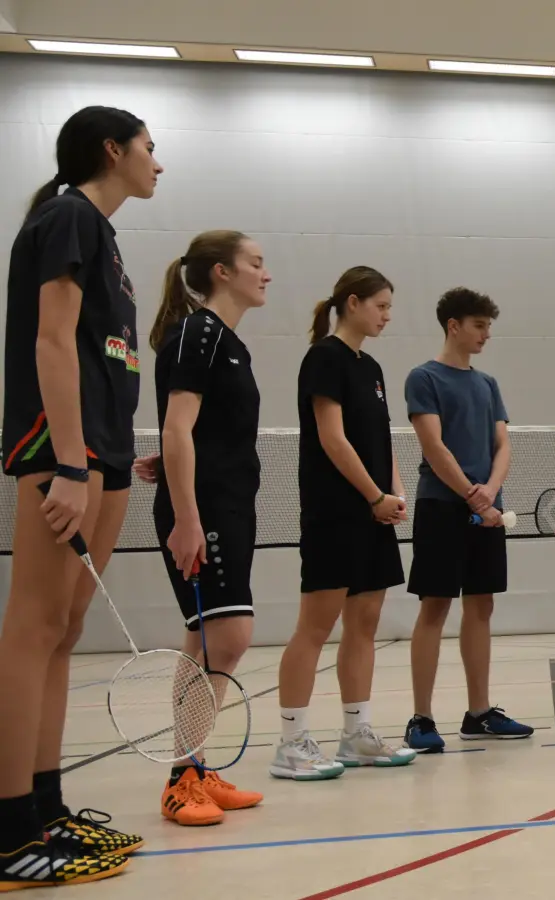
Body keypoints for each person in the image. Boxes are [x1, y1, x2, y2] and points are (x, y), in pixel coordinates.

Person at [0, 106, 160, 889]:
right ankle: (6, 829)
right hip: (64, 452)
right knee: (31, 629)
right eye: (149, 147)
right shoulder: (68, 216)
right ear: (112, 150)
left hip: (107, 451)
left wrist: (125, 453)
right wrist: (67, 461)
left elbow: (104, 358)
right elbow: (51, 340)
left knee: (65, 629)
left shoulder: (108, 239)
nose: (157, 162)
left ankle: (44, 804)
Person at [271, 267, 417, 781]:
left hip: (375, 512)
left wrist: (396, 493)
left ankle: (357, 734)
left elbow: (381, 438)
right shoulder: (324, 359)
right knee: (315, 625)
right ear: (352, 303)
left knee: (366, 622)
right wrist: (373, 495)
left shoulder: (370, 366)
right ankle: (291, 742)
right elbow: (332, 439)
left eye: (389, 307)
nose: (387, 316)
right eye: (380, 306)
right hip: (337, 511)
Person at [148, 231, 270, 824]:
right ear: (222, 272)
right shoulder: (200, 332)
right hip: (204, 511)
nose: (265, 273)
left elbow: (195, 432)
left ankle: (194, 767)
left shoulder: (228, 341)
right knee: (227, 635)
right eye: (256, 262)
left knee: (209, 638)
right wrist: (187, 517)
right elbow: (175, 428)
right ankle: (181, 777)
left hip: (226, 504)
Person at [402, 288, 532, 752]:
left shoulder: (488, 384)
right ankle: (421, 718)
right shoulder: (424, 378)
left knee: (482, 606)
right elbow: (433, 447)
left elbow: (503, 444)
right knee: (434, 607)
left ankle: (479, 713)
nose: (485, 335)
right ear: (453, 325)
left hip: (487, 509)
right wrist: (475, 498)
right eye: (479, 325)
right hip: (440, 507)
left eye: (488, 326)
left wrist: (491, 492)